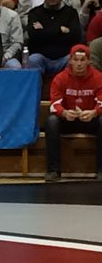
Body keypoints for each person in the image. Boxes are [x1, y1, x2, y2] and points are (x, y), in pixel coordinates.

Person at [45, 44, 102, 181]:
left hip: (90, 120)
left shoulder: (98, 77)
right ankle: (53, 170)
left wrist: (94, 112)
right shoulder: (60, 78)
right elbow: (54, 104)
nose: (79, 64)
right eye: (75, 60)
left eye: (82, 60)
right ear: (70, 61)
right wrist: (64, 113)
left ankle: (101, 170)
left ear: (89, 61)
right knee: (52, 121)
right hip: (69, 119)